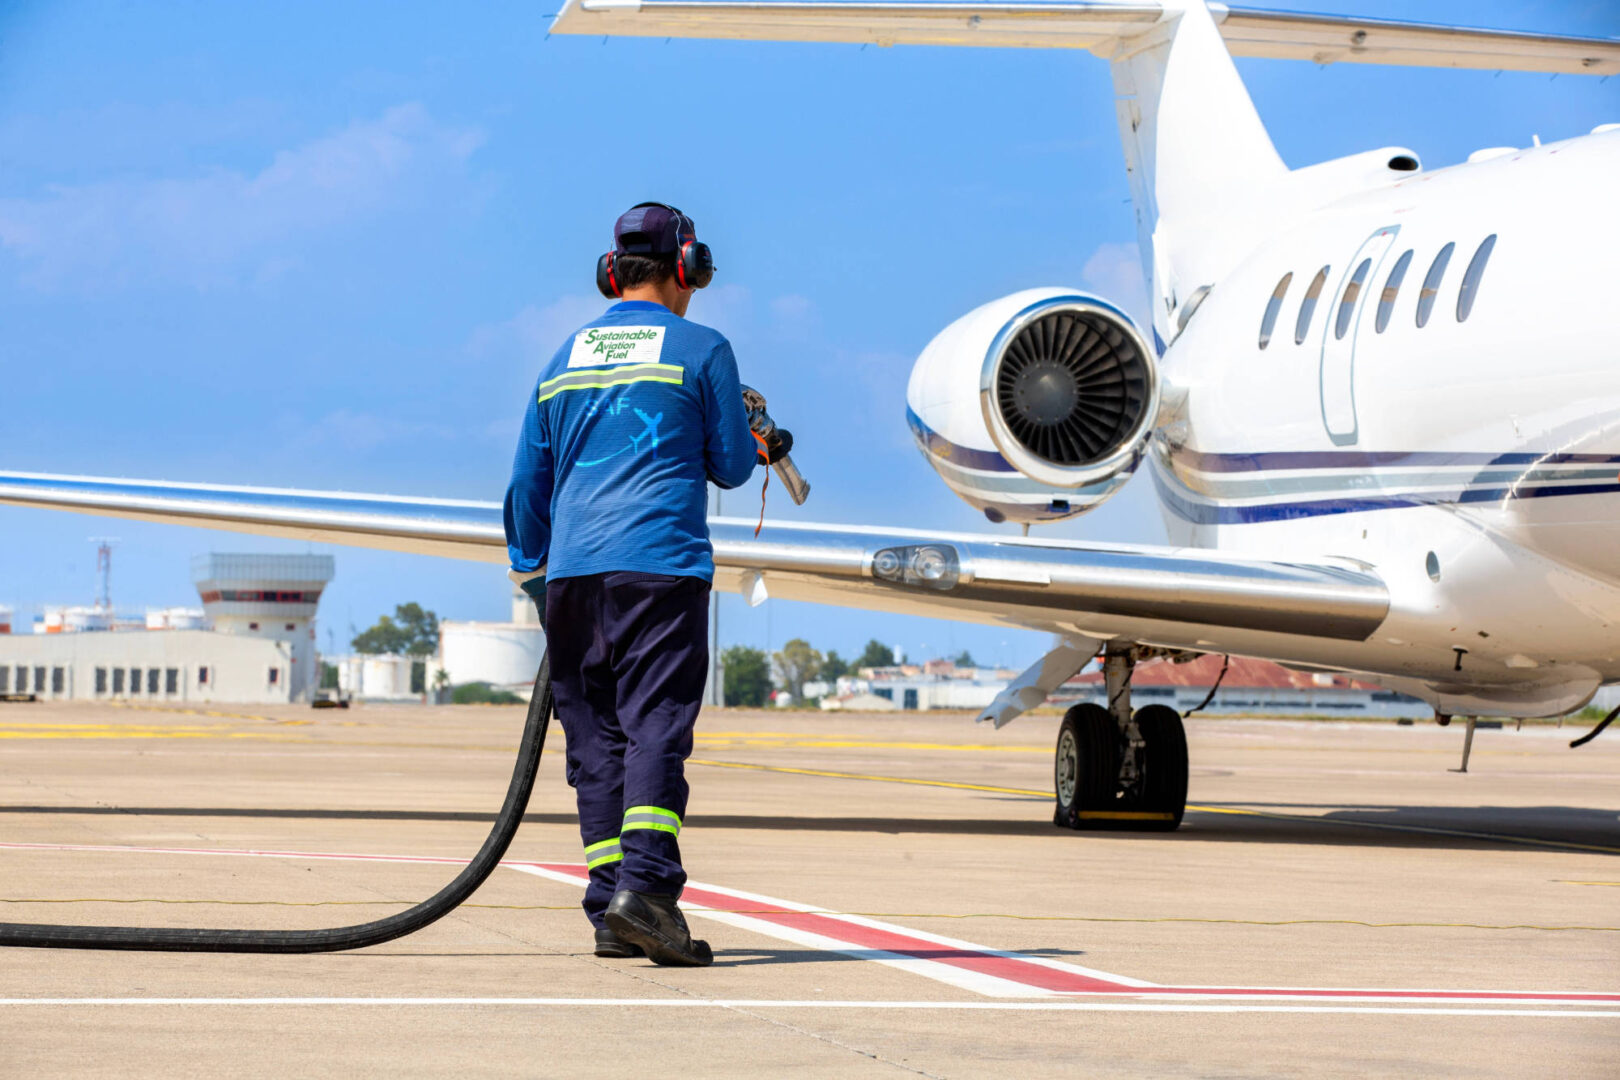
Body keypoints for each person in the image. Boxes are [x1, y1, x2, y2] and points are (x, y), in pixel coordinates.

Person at [504, 201, 787, 966]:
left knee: (597, 738)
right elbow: (729, 465)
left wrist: (535, 572)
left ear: (611, 272)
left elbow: (527, 487)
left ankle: (609, 910)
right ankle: (649, 893)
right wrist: (752, 437)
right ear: (685, 267)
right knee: (655, 723)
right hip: (658, 566)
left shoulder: (561, 358)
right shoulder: (704, 347)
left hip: (572, 574)